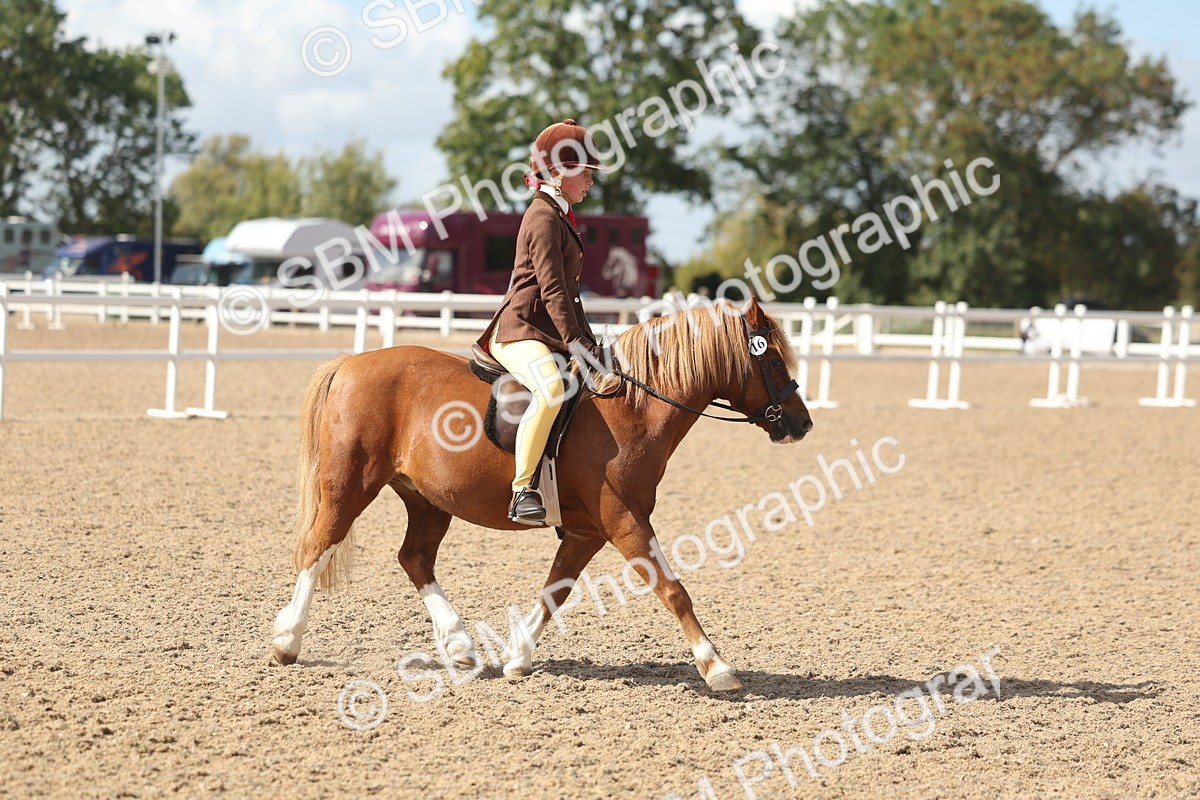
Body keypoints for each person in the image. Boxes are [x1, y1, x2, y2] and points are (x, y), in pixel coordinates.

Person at [476, 119, 608, 525]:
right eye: (584, 172)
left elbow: (570, 292)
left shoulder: (560, 213)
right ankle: (522, 490)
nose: (589, 180)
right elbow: (552, 290)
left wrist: (589, 341)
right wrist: (575, 343)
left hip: (544, 328)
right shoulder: (543, 218)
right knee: (552, 388)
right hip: (519, 329)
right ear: (558, 172)